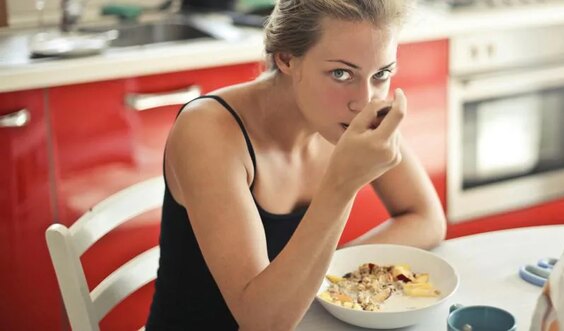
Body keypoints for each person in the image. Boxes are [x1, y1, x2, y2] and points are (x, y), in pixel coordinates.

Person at [146, 0, 447, 329]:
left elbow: (427, 219)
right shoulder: (208, 130)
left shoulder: (353, 114)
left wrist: (322, 274)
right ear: (287, 59)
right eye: (340, 73)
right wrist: (342, 185)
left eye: (381, 74)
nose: (365, 101)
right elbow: (262, 321)